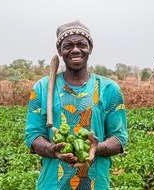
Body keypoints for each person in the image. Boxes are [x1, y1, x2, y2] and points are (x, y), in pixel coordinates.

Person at [25, 20, 127, 190]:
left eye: (82, 44)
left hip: (96, 183)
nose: (75, 50)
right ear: (60, 50)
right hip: (51, 184)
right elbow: (33, 136)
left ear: (90, 49)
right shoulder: (42, 88)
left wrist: (97, 147)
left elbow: (119, 138)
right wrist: (52, 149)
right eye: (68, 45)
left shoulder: (109, 89)